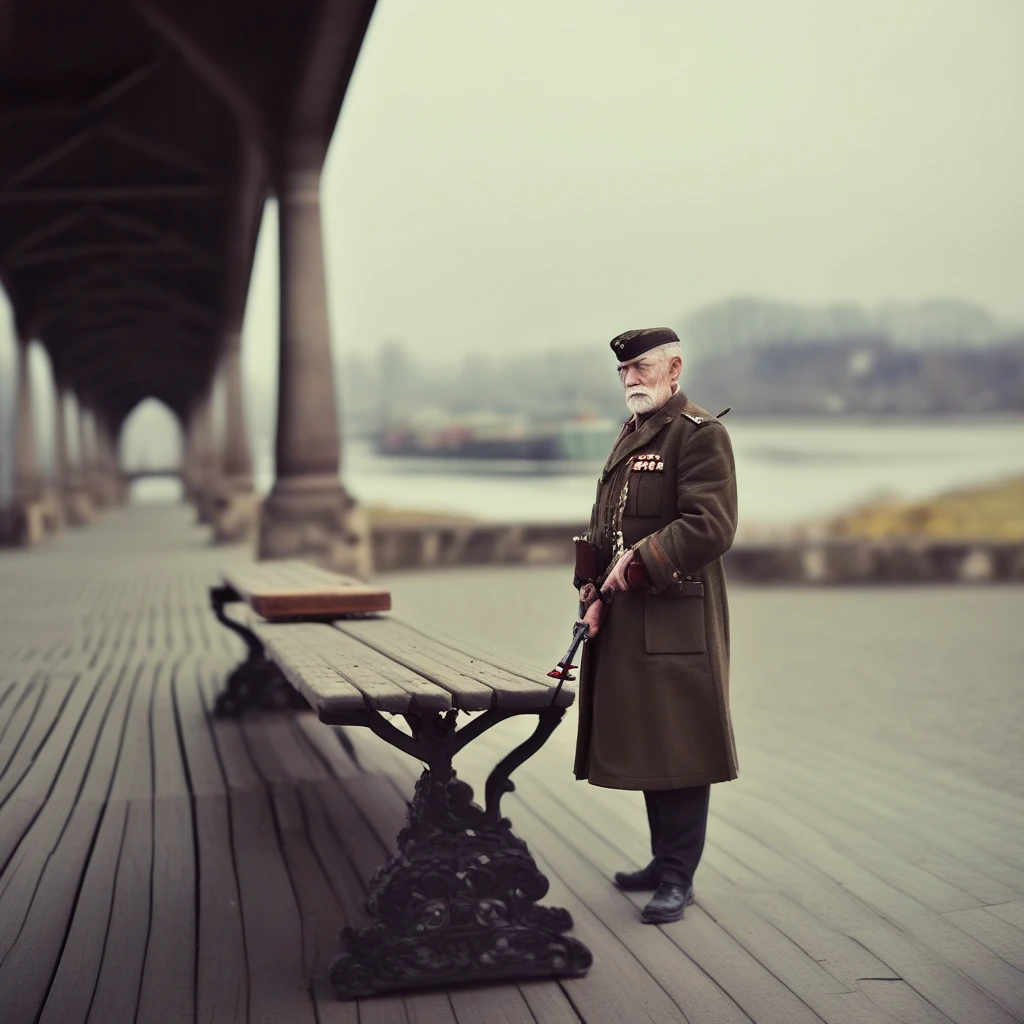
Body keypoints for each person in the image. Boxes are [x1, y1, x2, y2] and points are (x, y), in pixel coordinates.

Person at [573, 326, 739, 924]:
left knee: (680, 745)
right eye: (623, 372)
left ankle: (678, 876)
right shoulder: (635, 433)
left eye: (641, 368)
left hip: (675, 620)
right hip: (626, 617)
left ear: (674, 369)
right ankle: (662, 858)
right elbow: (606, 523)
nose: (630, 380)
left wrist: (641, 563)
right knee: (649, 739)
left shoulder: (700, 436)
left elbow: (711, 526)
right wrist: (591, 587)